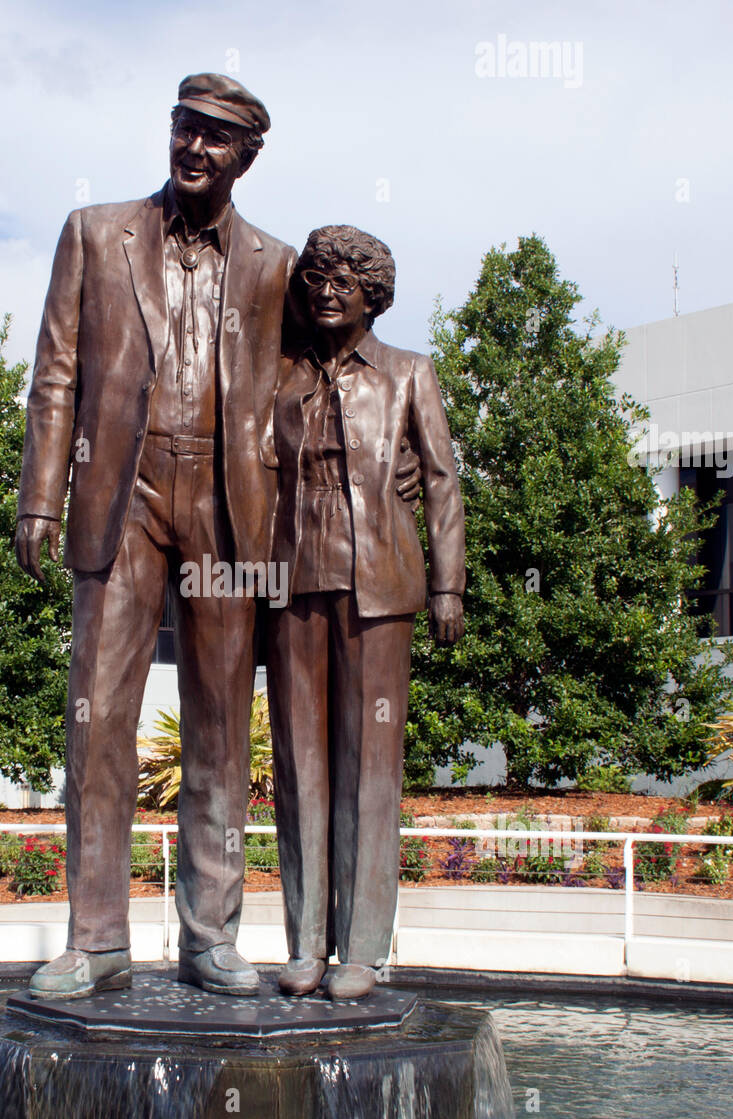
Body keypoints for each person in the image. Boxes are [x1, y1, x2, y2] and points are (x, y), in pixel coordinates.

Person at [13, 74, 297, 997]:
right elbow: (56, 372)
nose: (195, 148)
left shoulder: (274, 264)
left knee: (220, 725)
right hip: (119, 493)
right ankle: (95, 937)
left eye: (217, 138)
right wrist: (39, 498)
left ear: (245, 158)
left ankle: (210, 934)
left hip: (225, 504)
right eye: (185, 128)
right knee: (98, 719)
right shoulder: (96, 233)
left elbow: (299, 393)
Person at [267, 225, 466, 1001]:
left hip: (382, 582)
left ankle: (363, 948)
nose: (324, 290)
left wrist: (449, 586)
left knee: (370, 769)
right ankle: (306, 942)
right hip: (291, 583)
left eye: (343, 281)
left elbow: (443, 480)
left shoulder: (409, 373)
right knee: (299, 769)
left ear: (372, 295)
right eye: (315, 277)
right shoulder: (280, 378)